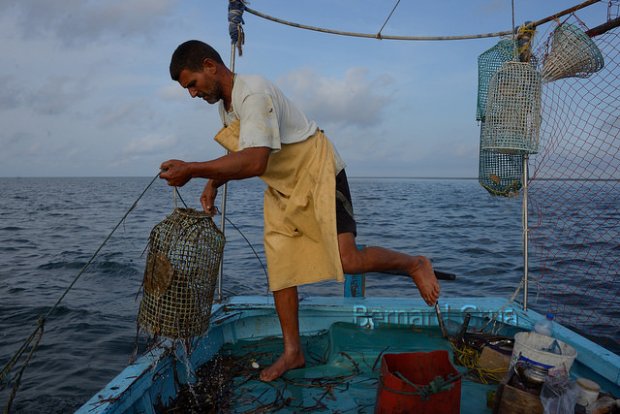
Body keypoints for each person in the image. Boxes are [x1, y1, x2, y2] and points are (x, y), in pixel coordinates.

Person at [159, 40, 440, 382]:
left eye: (192, 84)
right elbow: (243, 153)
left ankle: (414, 264)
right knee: (281, 269)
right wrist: (213, 183)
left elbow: (255, 160)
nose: (192, 94)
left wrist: (192, 169)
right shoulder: (227, 107)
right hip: (282, 186)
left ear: (209, 66)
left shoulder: (254, 95)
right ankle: (293, 353)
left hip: (318, 172)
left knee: (347, 260)